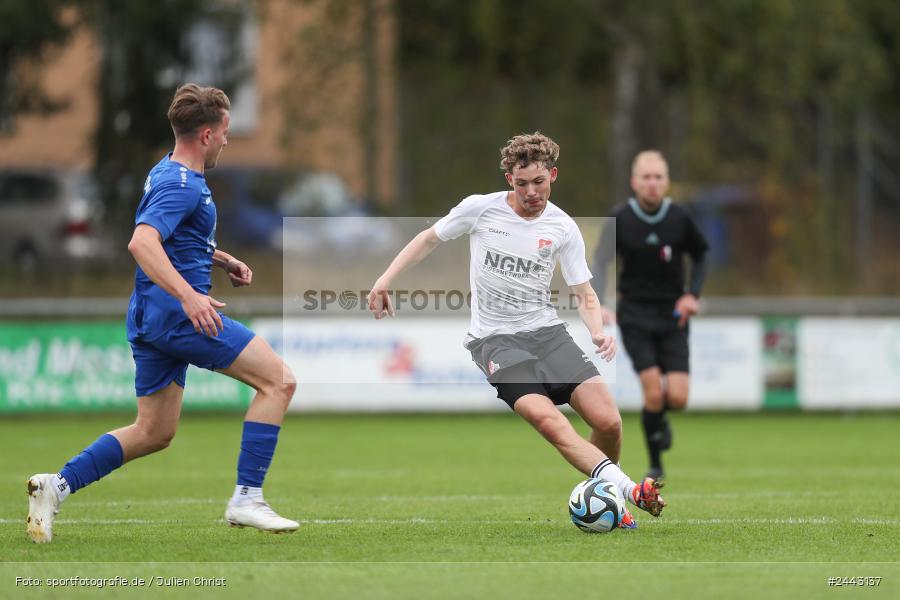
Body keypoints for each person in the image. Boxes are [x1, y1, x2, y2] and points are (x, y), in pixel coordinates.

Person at [27, 84, 299, 543]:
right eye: (226, 132)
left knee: (153, 430)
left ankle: (56, 486)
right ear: (208, 135)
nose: (229, 141)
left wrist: (220, 258)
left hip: (151, 314)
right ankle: (247, 498)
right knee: (279, 381)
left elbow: (173, 238)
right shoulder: (182, 185)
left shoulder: (165, 172)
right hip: (178, 315)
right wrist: (190, 297)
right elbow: (142, 242)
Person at [367, 132, 665, 527]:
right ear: (509, 179)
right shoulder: (480, 209)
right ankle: (628, 491)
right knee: (549, 422)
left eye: (538, 182)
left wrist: (596, 331)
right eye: (521, 183)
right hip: (495, 342)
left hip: (547, 334)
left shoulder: (563, 227)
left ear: (552, 176)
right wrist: (385, 279)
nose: (531, 192)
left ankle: (607, 493)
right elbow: (428, 239)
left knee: (608, 421)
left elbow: (583, 291)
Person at [592, 150, 709, 481]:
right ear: (634, 182)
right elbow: (600, 261)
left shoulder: (679, 218)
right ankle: (656, 463)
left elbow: (701, 255)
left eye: (658, 177)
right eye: (646, 177)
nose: (653, 183)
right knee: (653, 392)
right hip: (635, 315)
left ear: (667, 181)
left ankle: (658, 421)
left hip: (673, 315)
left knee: (678, 397)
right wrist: (599, 302)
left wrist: (692, 294)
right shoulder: (621, 218)